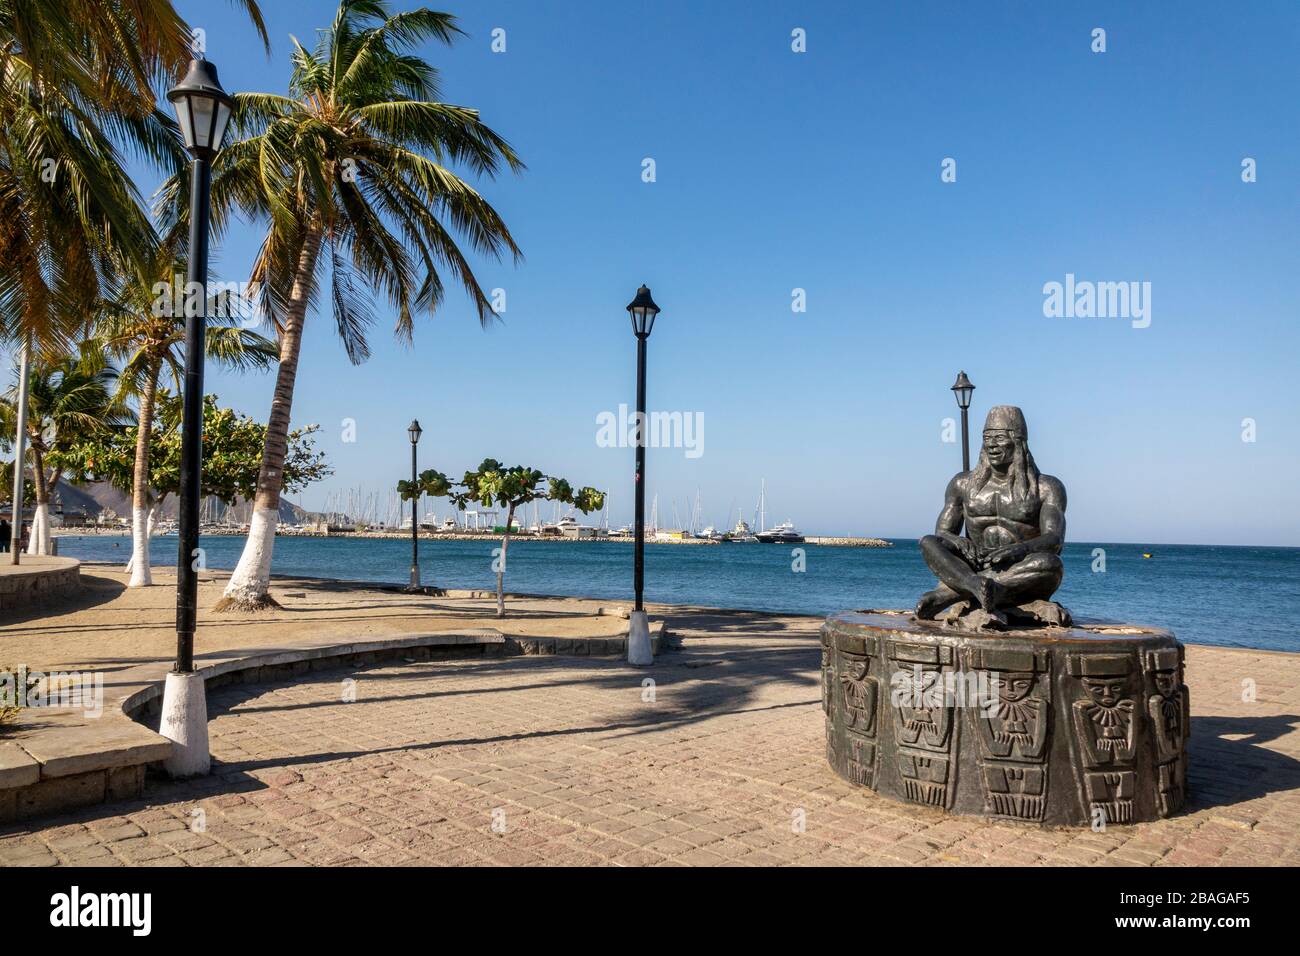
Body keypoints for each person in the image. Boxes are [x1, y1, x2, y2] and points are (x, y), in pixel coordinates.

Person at [915, 405, 1066, 620]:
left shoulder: (1047, 487)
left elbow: (1054, 539)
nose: (992, 444)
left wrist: (1017, 550)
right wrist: (959, 542)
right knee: (929, 542)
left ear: (1019, 441)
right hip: (974, 562)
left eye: (1000, 437)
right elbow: (942, 533)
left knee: (1050, 565)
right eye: (987, 437)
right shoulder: (962, 483)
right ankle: (975, 586)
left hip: (1017, 569)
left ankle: (950, 594)